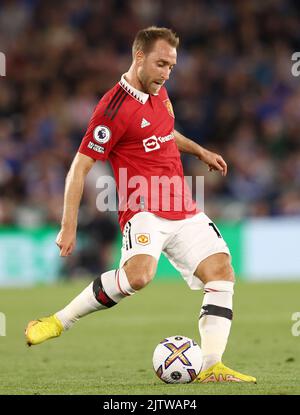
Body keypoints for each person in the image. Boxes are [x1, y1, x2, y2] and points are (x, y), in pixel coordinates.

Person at [25, 26, 256, 384]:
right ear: (139, 57)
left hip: (181, 203)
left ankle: (212, 366)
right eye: (161, 64)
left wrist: (200, 151)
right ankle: (58, 321)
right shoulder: (112, 108)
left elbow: (165, 132)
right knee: (139, 276)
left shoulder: (160, 94)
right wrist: (67, 224)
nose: (166, 73)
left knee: (222, 274)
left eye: (171, 67)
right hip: (142, 204)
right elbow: (79, 167)